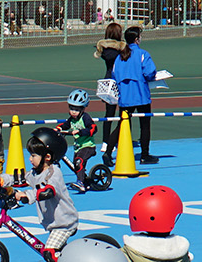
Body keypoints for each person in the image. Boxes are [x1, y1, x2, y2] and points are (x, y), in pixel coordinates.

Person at [14, 126, 80, 257]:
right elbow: (21, 179)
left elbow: (47, 191)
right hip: (53, 222)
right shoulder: (36, 172)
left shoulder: (54, 173)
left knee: (49, 253)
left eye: (33, 155)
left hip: (64, 223)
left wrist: (27, 196)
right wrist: (1, 179)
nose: (30, 159)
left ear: (47, 156)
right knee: (60, 253)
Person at [111, 26, 160, 164]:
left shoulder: (120, 57)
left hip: (125, 96)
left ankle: (108, 152)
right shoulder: (143, 54)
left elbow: (114, 74)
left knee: (122, 124)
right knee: (145, 125)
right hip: (141, 95)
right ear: (137, 39)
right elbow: (150, 73)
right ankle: (145, 154)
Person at [94, 21, 129, 148]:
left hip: (108, 81)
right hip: (120, 82)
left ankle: (105, 141)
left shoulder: (104, 49)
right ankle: (118, 139)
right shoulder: (122, 49)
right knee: (123, 113)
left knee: (109, 114)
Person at [58, 89, 99, 186]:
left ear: (83, 109)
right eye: (71, 109)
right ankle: (83, 179)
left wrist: (80, 132)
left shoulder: (85, 118)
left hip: (88, 146)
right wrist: (58, 128)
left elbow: (93, 128)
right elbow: (66, 124)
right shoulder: (72, 119)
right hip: (78, 147)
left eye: (76, 110)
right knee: (76, 166)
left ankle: (80, 183)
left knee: (78, 162)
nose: (73, 112)